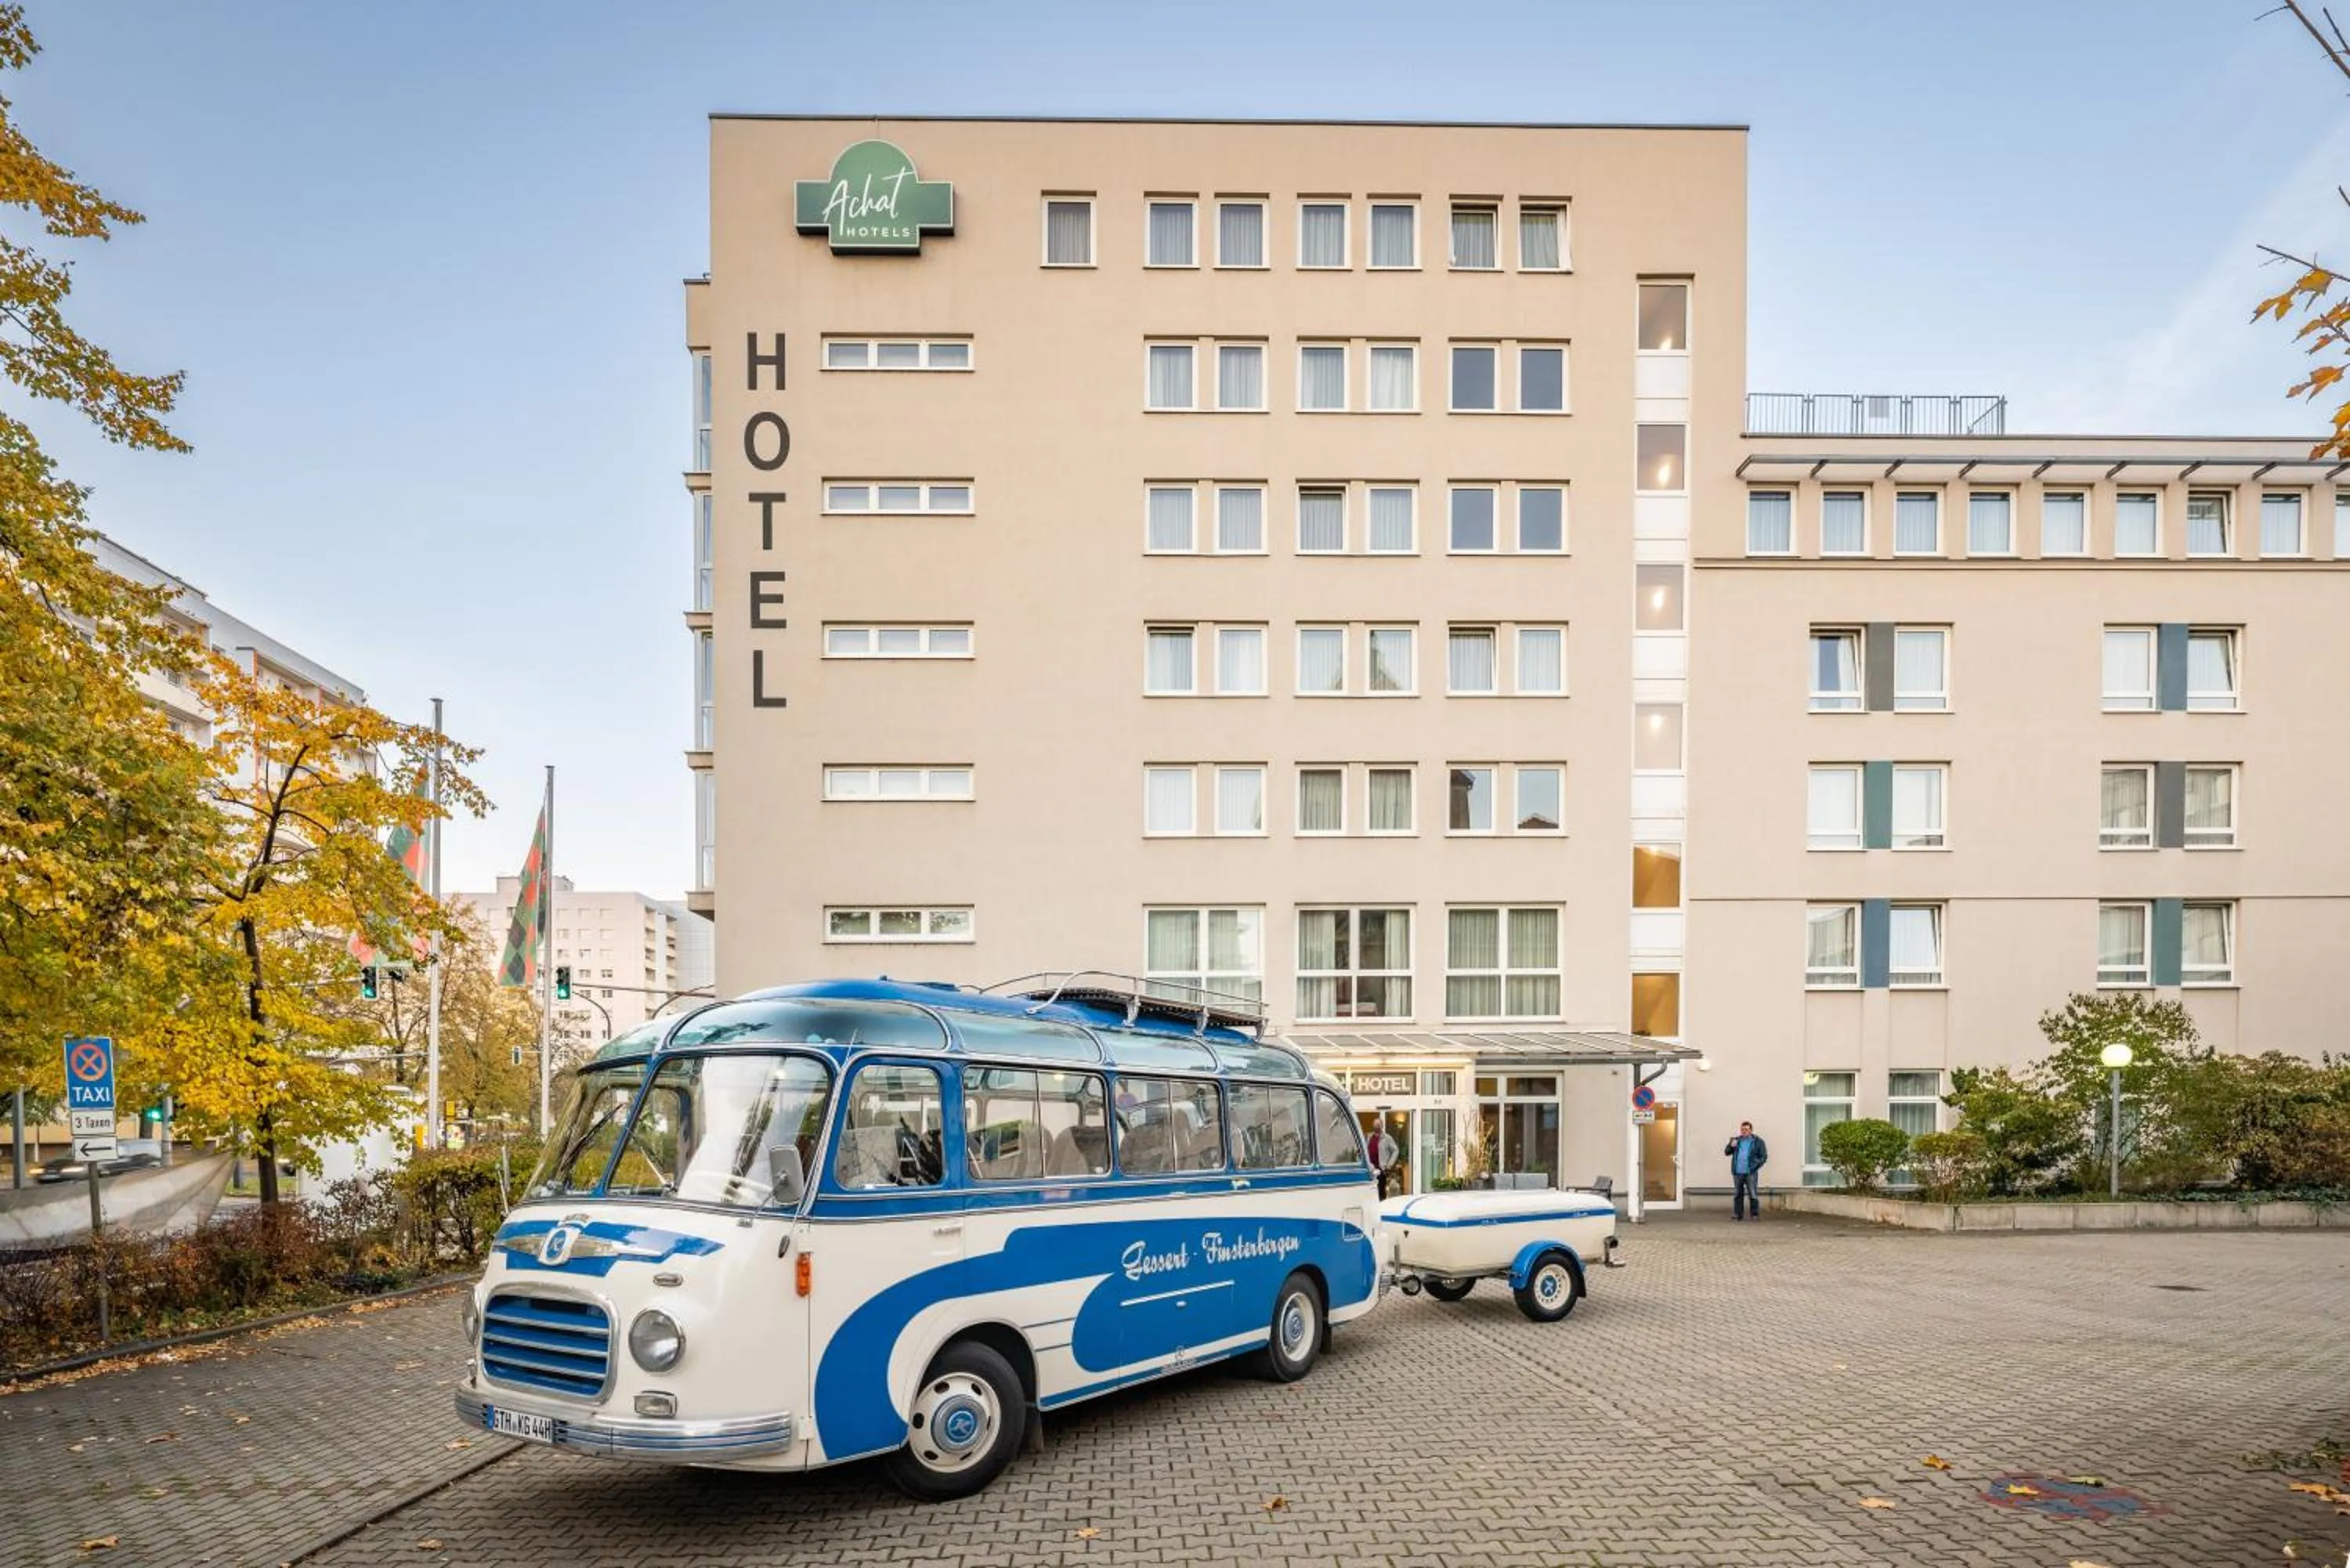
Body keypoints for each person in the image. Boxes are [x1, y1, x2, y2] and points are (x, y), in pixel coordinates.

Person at [1724, 1121, 1768, 1220]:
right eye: (1742, 1129)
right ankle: (1738, 1214)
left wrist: (1755, 1166)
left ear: (1751, 1130)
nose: (1744, 1131)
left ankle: (1755, 1214)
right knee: (1738, 1194)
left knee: (1753, 1194)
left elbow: (1764, 1156)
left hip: (1750, 1172)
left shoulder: (1758, 1141)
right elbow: (1727, 1152)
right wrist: (1731, 1146)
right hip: (1737, 1172)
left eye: (1746, 1130)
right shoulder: (1736, 1140)